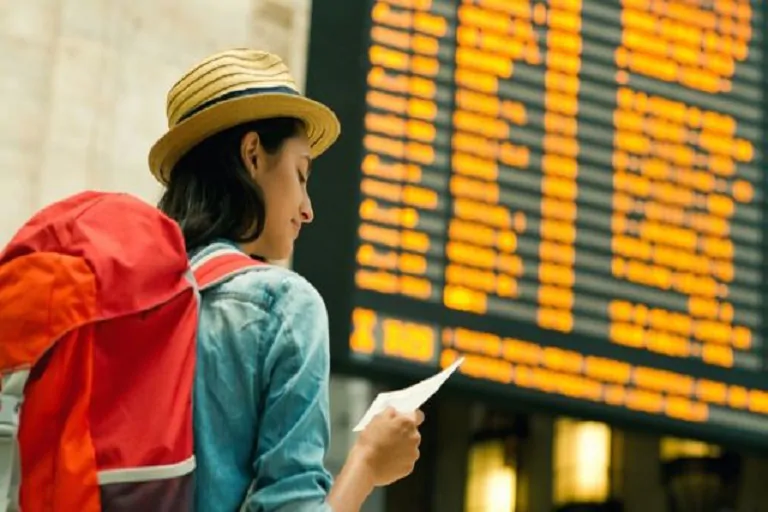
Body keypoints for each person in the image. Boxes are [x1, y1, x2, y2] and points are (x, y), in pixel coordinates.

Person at [147, 49, 423, 511]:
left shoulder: (128, 297)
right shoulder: (281, 304)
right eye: (300, 174)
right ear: (252, 155)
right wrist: (368, 463)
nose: (307, 208)